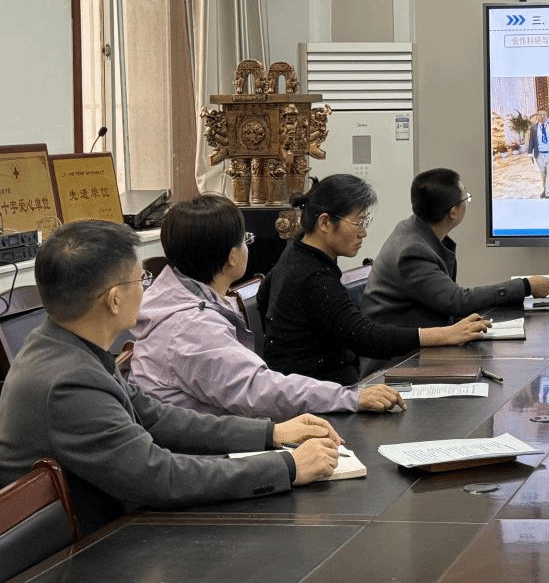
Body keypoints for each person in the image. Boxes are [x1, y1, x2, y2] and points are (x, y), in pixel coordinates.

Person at [0, 220, 343, 536]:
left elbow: (158, 418)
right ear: (115, 300)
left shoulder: (64, 344)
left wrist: (271, 433)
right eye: (141, 280)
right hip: (79, 554)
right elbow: (158, 477)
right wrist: (286, 467)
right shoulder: (68, 383)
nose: (146, 289)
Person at [129, 195, 405, 418]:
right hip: (200, 453)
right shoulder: (192, 326)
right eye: (244, 240)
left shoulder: (183, 300)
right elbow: (257, 389)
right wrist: (348, 397)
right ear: (232, 257)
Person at [259, 175, 489, 386]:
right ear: (325, 222)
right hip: (319, 394)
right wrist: (445, 334)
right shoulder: (313, 275)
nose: (363, 233)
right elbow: (364, 337)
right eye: (358, 222)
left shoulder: (295, 254)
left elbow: (263, 299)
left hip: (313, 386)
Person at [363, 169, 549, 331]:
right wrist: (525, 286)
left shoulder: (412, 229)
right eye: (466, 198)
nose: (467, 202)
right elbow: (456, 301)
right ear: (453, 212)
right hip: (400, 357)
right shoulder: (412, 251)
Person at [527, 108, 549, 198]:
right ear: (537, 116)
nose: (542, 116)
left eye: (544, 115)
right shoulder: (534, 127)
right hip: (539, 155)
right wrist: (529, 152)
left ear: (547, 116)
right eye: (540, 115)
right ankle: (545, 189)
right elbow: (531, 140)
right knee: (543, 173)